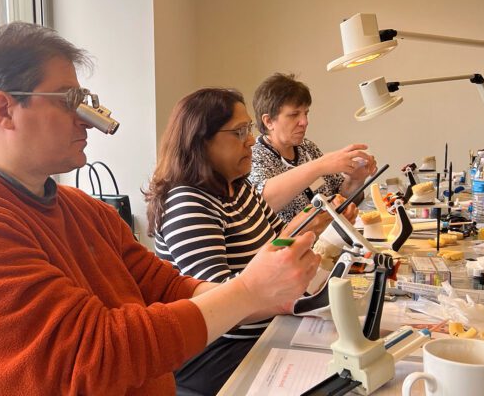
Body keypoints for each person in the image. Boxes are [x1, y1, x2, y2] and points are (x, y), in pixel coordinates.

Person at [0, 23, 321, 396]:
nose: (88, 122)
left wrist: (270, 294)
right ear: (3, 110)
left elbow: (166, 288)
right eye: (71, 101)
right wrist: (247, 292)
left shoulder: (83, 211)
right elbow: (87, 361)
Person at [144, 88, 357, 395]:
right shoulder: (188, 202)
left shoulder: (238, 188)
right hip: (219, 349)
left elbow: (277, 244)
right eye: (239, 131)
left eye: (250, 129)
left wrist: (314, 223)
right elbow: (217, 302)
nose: (250, 140)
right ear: (201, 140)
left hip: (264, 330)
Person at [249, 72, 378, 224]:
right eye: (294, 115)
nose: (304, 122)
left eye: (306, 113)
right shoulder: (255, 157)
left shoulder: (307, 147)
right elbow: (262, 203)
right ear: (268, 121)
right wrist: (320, 165)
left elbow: (340, 197)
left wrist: (355, 179)